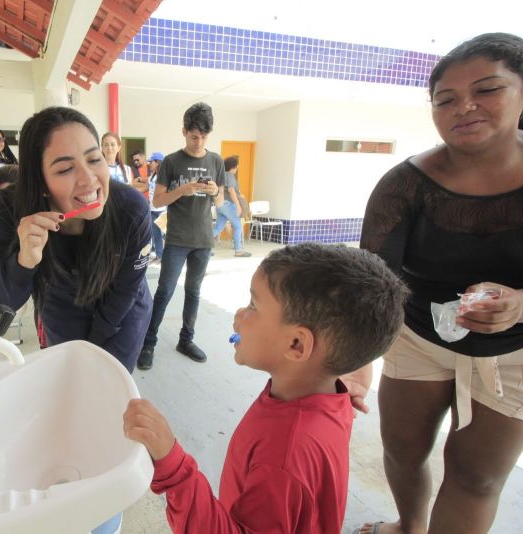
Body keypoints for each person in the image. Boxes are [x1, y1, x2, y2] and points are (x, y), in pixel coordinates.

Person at [354, 33, 523, 534]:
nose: (463, 106)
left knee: (477, 476)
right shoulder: (404, 185)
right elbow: (371, 282)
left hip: (515, 354)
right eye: (445, 98)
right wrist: (350, 361)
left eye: (487, 89)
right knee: (402, 449)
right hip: (416, 337)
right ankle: (409, 526)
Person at [124, 243, 408, 533]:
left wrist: (173, 469)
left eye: (253, 306)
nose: (238, 314)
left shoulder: (284, 454)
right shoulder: (331, 394)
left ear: (296, 345)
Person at [0, 107, 153, 375]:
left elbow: (124, 292)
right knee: (71, 382)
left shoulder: (131, 209)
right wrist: (23, 262)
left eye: (94, 159)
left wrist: (93, 347)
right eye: (66, 168)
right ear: (39, 181)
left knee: (108, 384)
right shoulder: (10, 209)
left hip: (122, 306)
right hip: (61, 302)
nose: (89, 179)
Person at [136, 102, 225, 370]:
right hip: (176, 239)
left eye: (204, 137)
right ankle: (148, 342)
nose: (199, 142)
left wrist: (212, 192)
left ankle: (186, 340)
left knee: (193, 291)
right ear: (184, 131)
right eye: (194, 136)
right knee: (164, 292)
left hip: (203, 240)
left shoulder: (216, 160)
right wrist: (182, 190)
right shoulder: (172, 162)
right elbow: (158, 199)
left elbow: (220, 201)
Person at [212, 155, 251, 257]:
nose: (237, 168)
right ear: (233, 166)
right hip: (228, 204)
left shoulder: (221, 175)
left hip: (220, 204)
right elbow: (231, 190)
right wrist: (238, 205)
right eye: (237, 166)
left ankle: (202, 248)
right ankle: (238, 250)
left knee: (218, 228)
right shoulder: (230, 175)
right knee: (238, 226)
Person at [147, 152, 166, 264]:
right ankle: (159, 255)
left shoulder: (163, 176)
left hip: (162, 210)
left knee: (166, 234)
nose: (149, 164)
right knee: (156, 234)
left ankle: (170, 256)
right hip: (152, 210)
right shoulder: (152, 176)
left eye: (151, 162)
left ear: (157, 162)